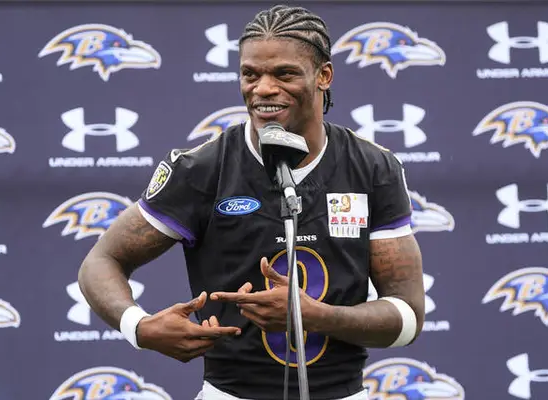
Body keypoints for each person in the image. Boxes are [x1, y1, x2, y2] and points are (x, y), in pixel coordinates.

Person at [77, 4, 425, 400]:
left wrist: (315, 316)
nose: (263, 89)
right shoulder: (203, 168)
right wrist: (138, 326)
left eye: (284, 74)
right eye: (250, 74)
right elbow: (101, 261)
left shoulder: (372, 167)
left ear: (324, 75)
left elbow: (408, 317)